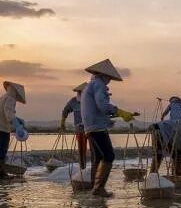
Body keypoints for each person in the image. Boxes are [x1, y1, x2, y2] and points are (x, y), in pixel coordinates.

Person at [81, 59, 138, 197]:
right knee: (109, 156)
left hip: (91, 126)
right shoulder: (99, 84)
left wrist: (111, 118)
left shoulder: (91, 85)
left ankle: (94, 187)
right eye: (109, 78)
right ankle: (98, 189)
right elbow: (103, 106)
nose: (109, 81)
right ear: (104, 75)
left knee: (99, 157)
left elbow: (96, 109)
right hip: (96, 127)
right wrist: (119, 111)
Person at [0, 80, 26, 180]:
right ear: (16, 92)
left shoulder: (3, 97)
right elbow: (8, 114)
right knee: (2, 149)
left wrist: (18, 120)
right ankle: (1, 173)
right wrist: (17, 126)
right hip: (2, 127)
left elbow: (5, 112)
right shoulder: (10, 99)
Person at [59, 82, 89, 169]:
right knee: (81, 149)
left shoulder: (91, 101)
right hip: (79, 129)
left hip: (91, 129)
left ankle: (94, 168)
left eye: (82, 92)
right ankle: (82, 167)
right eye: (79, 92)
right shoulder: (73, 101)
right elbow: (65, 111)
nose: (80, 94)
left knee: (93, 149)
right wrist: (62, 122)